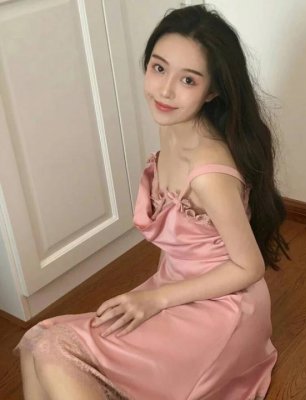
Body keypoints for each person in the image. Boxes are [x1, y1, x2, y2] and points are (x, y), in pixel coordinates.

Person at [15, 4, 289, 400]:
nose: (165, 90)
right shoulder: (176, 129)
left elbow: (250, 267)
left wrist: (154, 300)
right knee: (36, 342)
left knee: (52, 349)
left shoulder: (209, 174)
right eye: (159, 68)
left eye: (188, 80)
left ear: (213, 91)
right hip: (177, 284)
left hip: (223, 308)